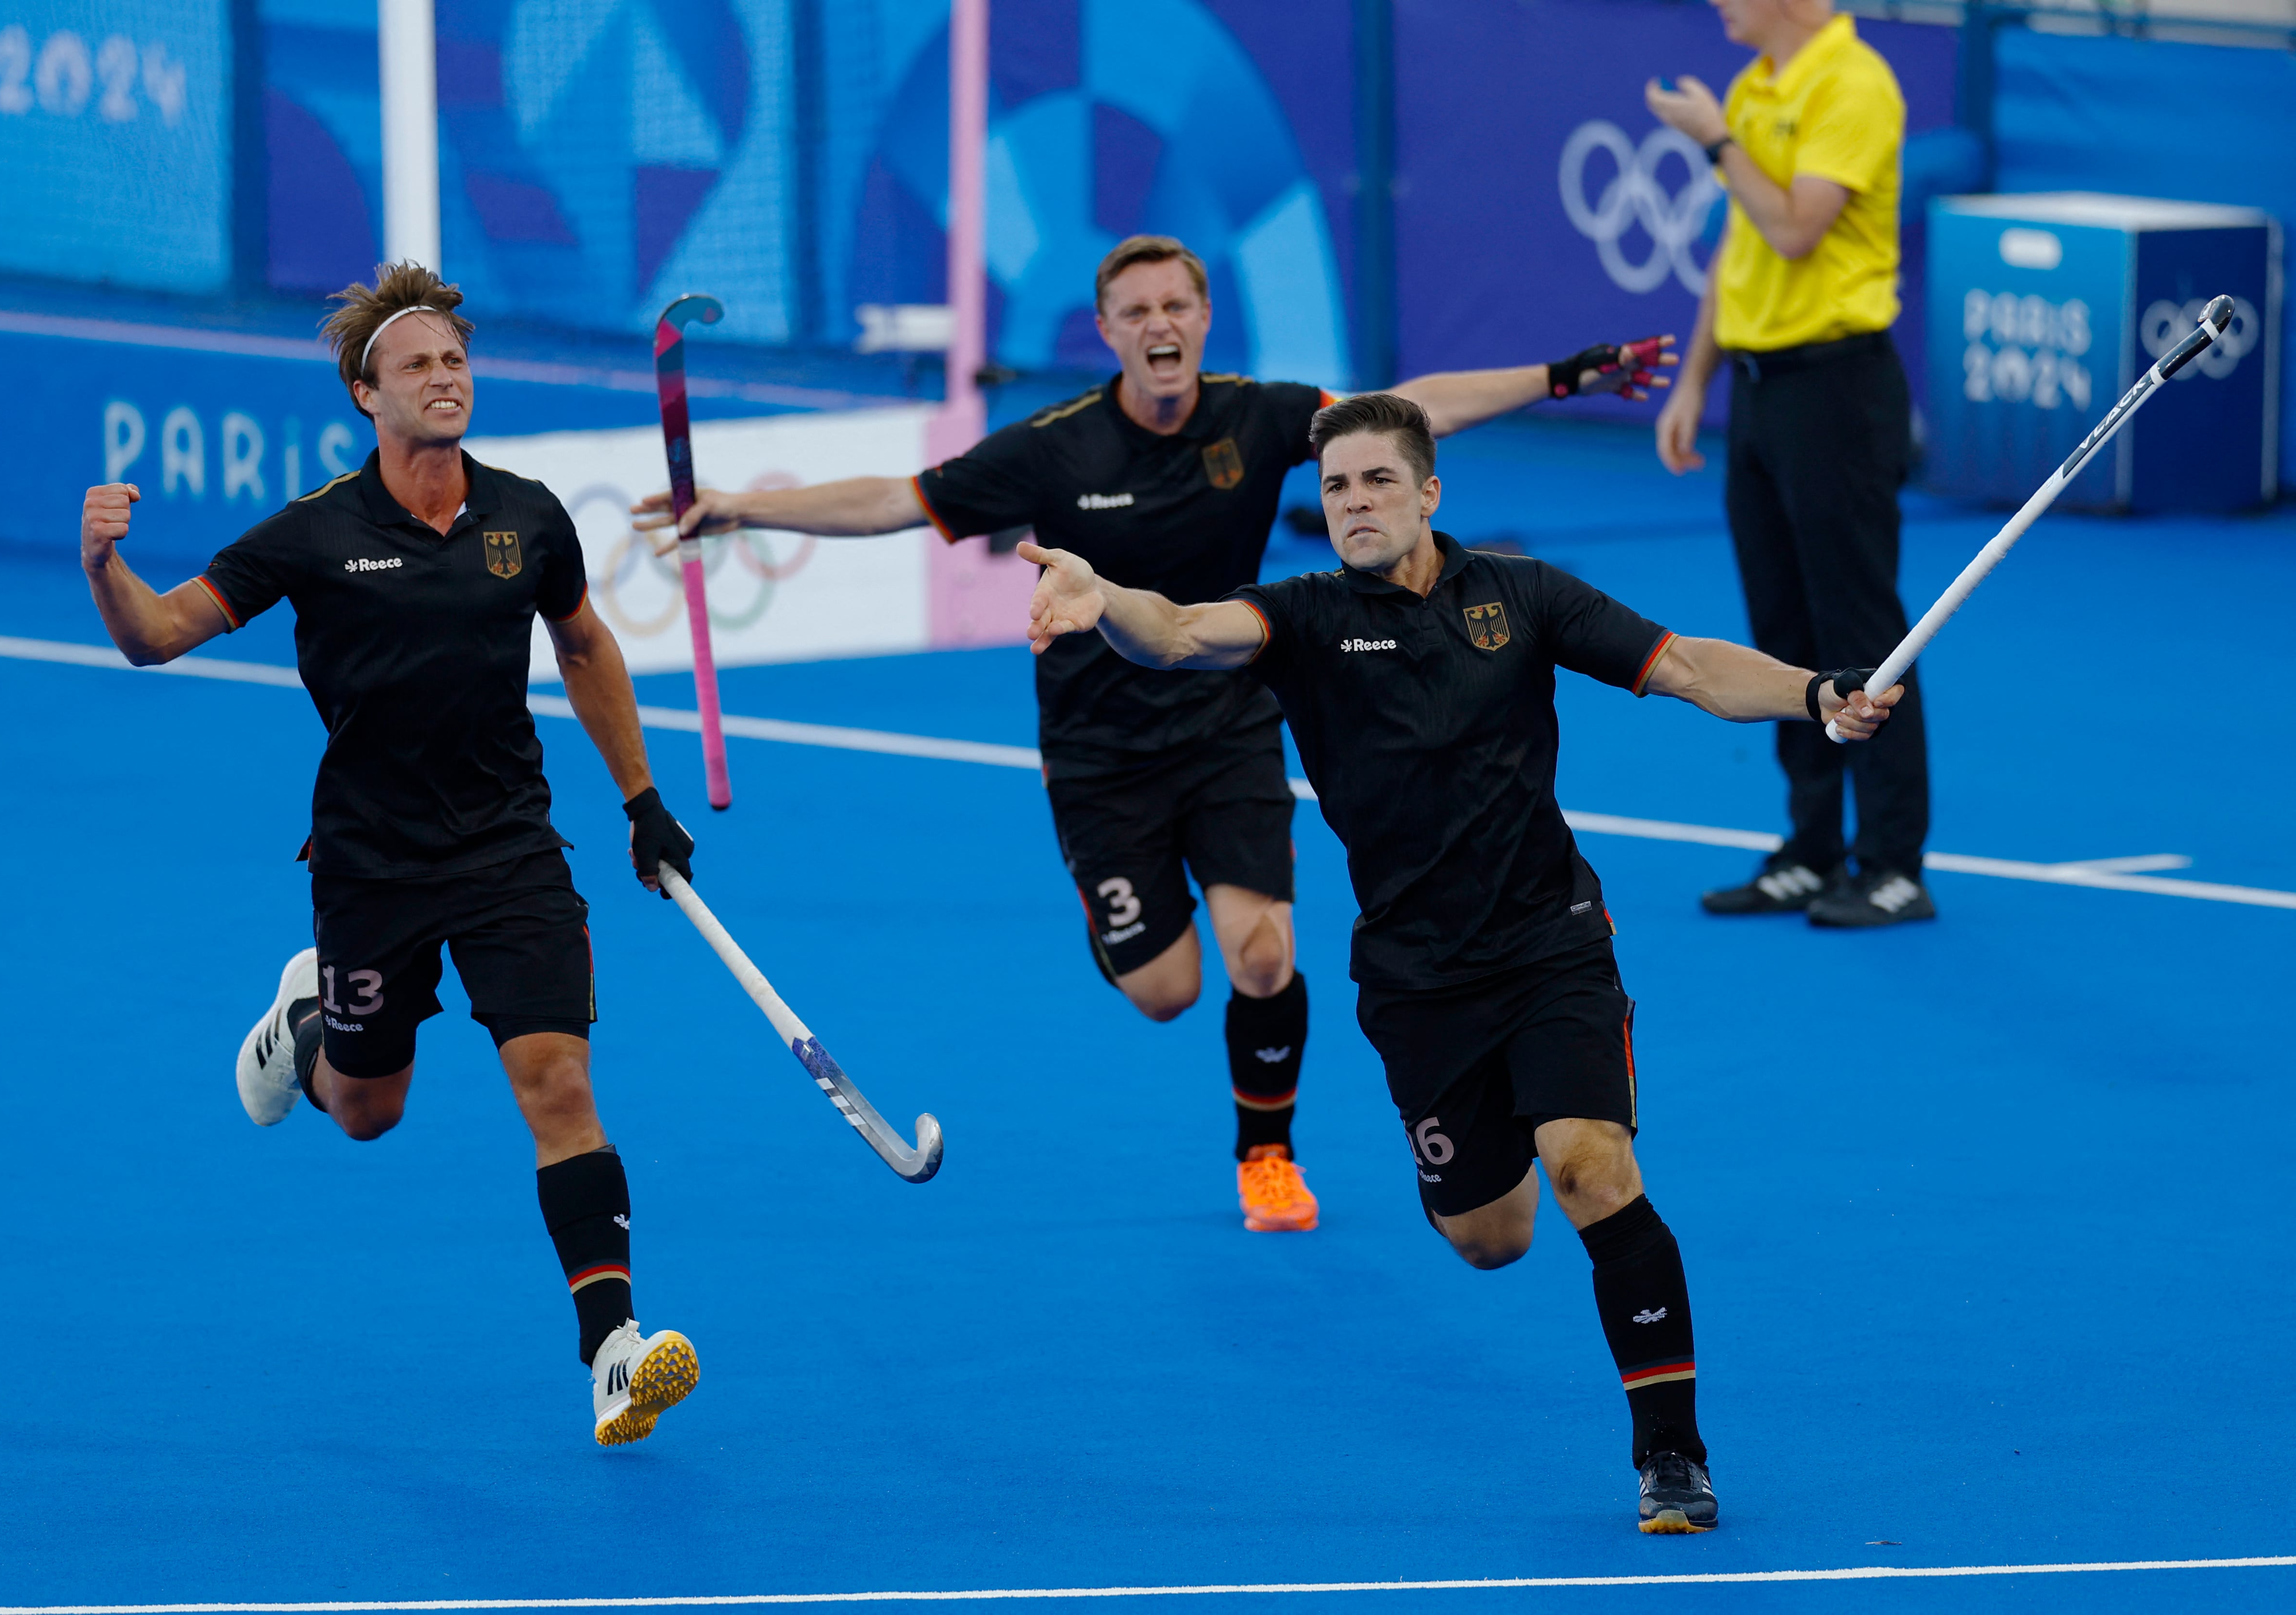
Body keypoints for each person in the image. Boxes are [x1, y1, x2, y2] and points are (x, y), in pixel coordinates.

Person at [632, 234, 1670, 1233]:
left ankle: (1267, 1153)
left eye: (1177, 304)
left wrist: (1560, 375)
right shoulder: (1056, 445)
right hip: (1099, 753)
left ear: (1206, 317)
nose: (1160, 324)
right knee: (1167, 989)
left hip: (1228, 719)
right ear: (1106, 330)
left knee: (1262, 958)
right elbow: (897, 501)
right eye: (1137, 312)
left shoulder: (1258, 417)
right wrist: (742, 512)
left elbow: (1411, 414)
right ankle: (1112, 902)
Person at [1017, 391, 1903, 1533]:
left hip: (1549, 940)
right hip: (1415, 975)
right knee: (1491, 1236)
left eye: (1377, 479)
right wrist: (1102, 602)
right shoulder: (1302, 616)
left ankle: (1670, 1454)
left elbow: (1683, 667)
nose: (1353, 503)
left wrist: (1814, 694)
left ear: (1429, 490)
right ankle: (1492, 1180)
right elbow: (1183, 632)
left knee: (1590, 1168)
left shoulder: (1522, 595)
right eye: (1334, 486)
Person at [76, 263, 706, 1448]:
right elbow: (159, 635)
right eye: (418, 364)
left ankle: (613, 1350)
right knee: (368, 1112)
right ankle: (307, 1024)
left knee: (559, 1085)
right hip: (370, 865)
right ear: (368, 395)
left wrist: (643, 798)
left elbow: (582, 646)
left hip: (510, 846)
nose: (445, 377)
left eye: (456, 360)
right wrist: (105, 568)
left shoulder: (527, 514)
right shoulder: (314, 533)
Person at [1646, 0, 1933, 927]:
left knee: (1863, 626)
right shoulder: (1754, 85)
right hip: (1761, 393)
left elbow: (1796, 228)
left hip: (1838, 389)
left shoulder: (1855, 83)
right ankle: (1811, 847)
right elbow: (1742, 244)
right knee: (1782, 626)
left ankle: (1891, 862)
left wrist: (1717, 142)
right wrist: (1696, 380)